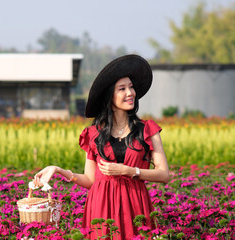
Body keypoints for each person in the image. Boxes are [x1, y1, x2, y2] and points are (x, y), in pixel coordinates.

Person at [34, 54, 169, 240]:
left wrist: (129, 170)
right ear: (109, 96)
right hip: (101, 207)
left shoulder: (147, 130)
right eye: (122, 89)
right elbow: (90, 179)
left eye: (131, 87)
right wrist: (58, 170)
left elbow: (164, 174)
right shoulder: (94, 134)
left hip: (135, 205)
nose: (130, 93)